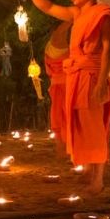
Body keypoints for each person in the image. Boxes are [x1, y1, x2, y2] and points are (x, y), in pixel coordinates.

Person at [20, 0, 110, 196]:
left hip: (93, 76)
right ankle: (88, 171)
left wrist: (103, 80)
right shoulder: (76, 14)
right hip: (76, 77)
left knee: (94, 128)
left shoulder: (103, 15)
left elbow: (109, 48)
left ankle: (99, 179)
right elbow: (48, 7)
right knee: (81, 126)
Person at [42, 22, 71, 156]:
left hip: (58, 84)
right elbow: (62, 28)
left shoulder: (52, 45)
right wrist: (76, 15)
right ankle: (64, 146)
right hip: (64, 84)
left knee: (59, 114)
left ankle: (62, 145)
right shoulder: (57, 42)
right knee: (64, 115)